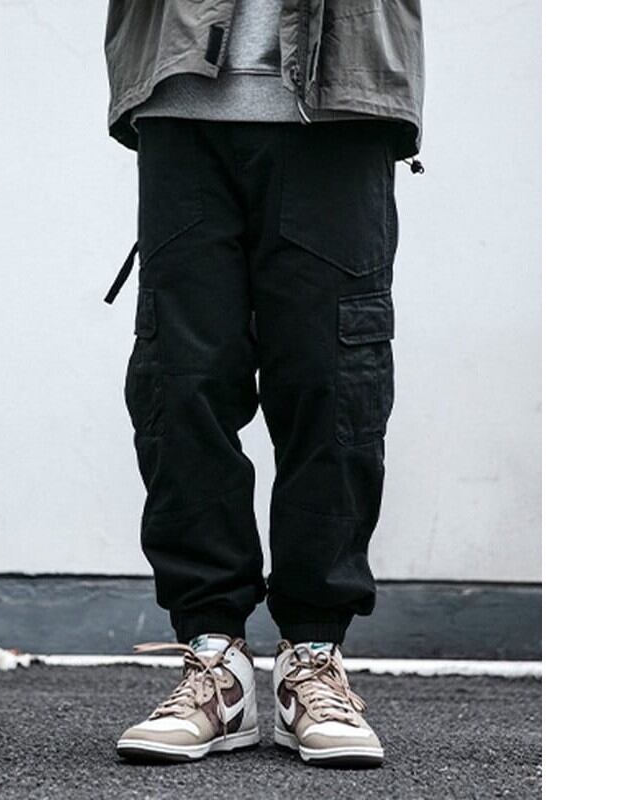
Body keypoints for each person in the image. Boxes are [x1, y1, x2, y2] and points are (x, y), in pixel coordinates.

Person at [103, 0, 424, 767]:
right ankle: (215, 663)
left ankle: (313, 658)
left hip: (340, 97)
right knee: (182, 386)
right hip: (182, 94)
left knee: (333, 385)